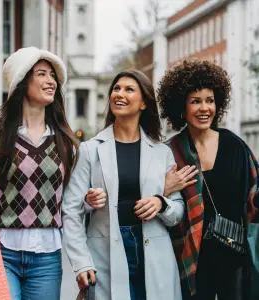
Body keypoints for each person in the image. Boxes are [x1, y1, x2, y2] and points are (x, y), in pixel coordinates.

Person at [0, 47, 79, 300]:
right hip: (1, 252)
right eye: (42, 74)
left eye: (53, 76)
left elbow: (69, 200)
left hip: (47, 258)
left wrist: (89, 199)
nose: (51, 81)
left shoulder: (65, 142)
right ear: (23, 82)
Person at [62, 70, 184, 300]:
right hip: (104, 255)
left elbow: (178, 210)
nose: (120, 93)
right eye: (116, 88)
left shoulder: (161, 152)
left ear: (144, 103)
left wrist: (161, 202)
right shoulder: (90, 150)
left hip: (155, 256)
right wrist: (80, 262)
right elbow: (71, 210)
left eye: (129, 89)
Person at [157, 59, 259, 300]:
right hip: (190, 262)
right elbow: (155, 202)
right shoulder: (170, 151)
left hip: (235, 259)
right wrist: (164, 188)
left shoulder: (235, 146)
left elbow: (254, 198)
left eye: (210, 101)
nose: (204, 108)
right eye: (196, 101)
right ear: (181, 107)